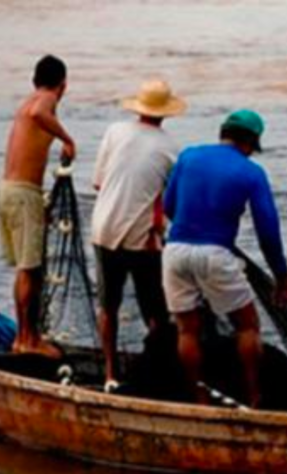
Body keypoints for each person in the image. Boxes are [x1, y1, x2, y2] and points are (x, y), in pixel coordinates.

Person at [162, 109, 287, 408]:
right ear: (251, 142)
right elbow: (268, 231)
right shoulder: (251, 172)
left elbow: (169, 206)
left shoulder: (189, 156)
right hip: (216, 254)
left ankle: (200, 399)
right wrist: (281, 277)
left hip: (175, 249)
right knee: (247, 326)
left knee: (187, 329)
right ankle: (254, 396)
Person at [91, 79, 186, 387]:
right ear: (165, 112)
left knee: (109, 306)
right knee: (155, 310)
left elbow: (99, 183)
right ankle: (158, 371)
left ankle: (110, 373)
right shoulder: (171, 148)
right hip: (142, 238)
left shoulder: (115, 132)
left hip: (103, 228)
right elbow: (171, 200)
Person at [0, 54, 76, 358]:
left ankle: (23, 338)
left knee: (25, 270)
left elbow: (35, 117)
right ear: (63, 85)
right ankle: (28, 340)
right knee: (29, 269)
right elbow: (41, 113)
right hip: (22, 193)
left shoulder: (27, 101)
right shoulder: (45, 100)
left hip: (8, 190)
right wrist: (68, 139)